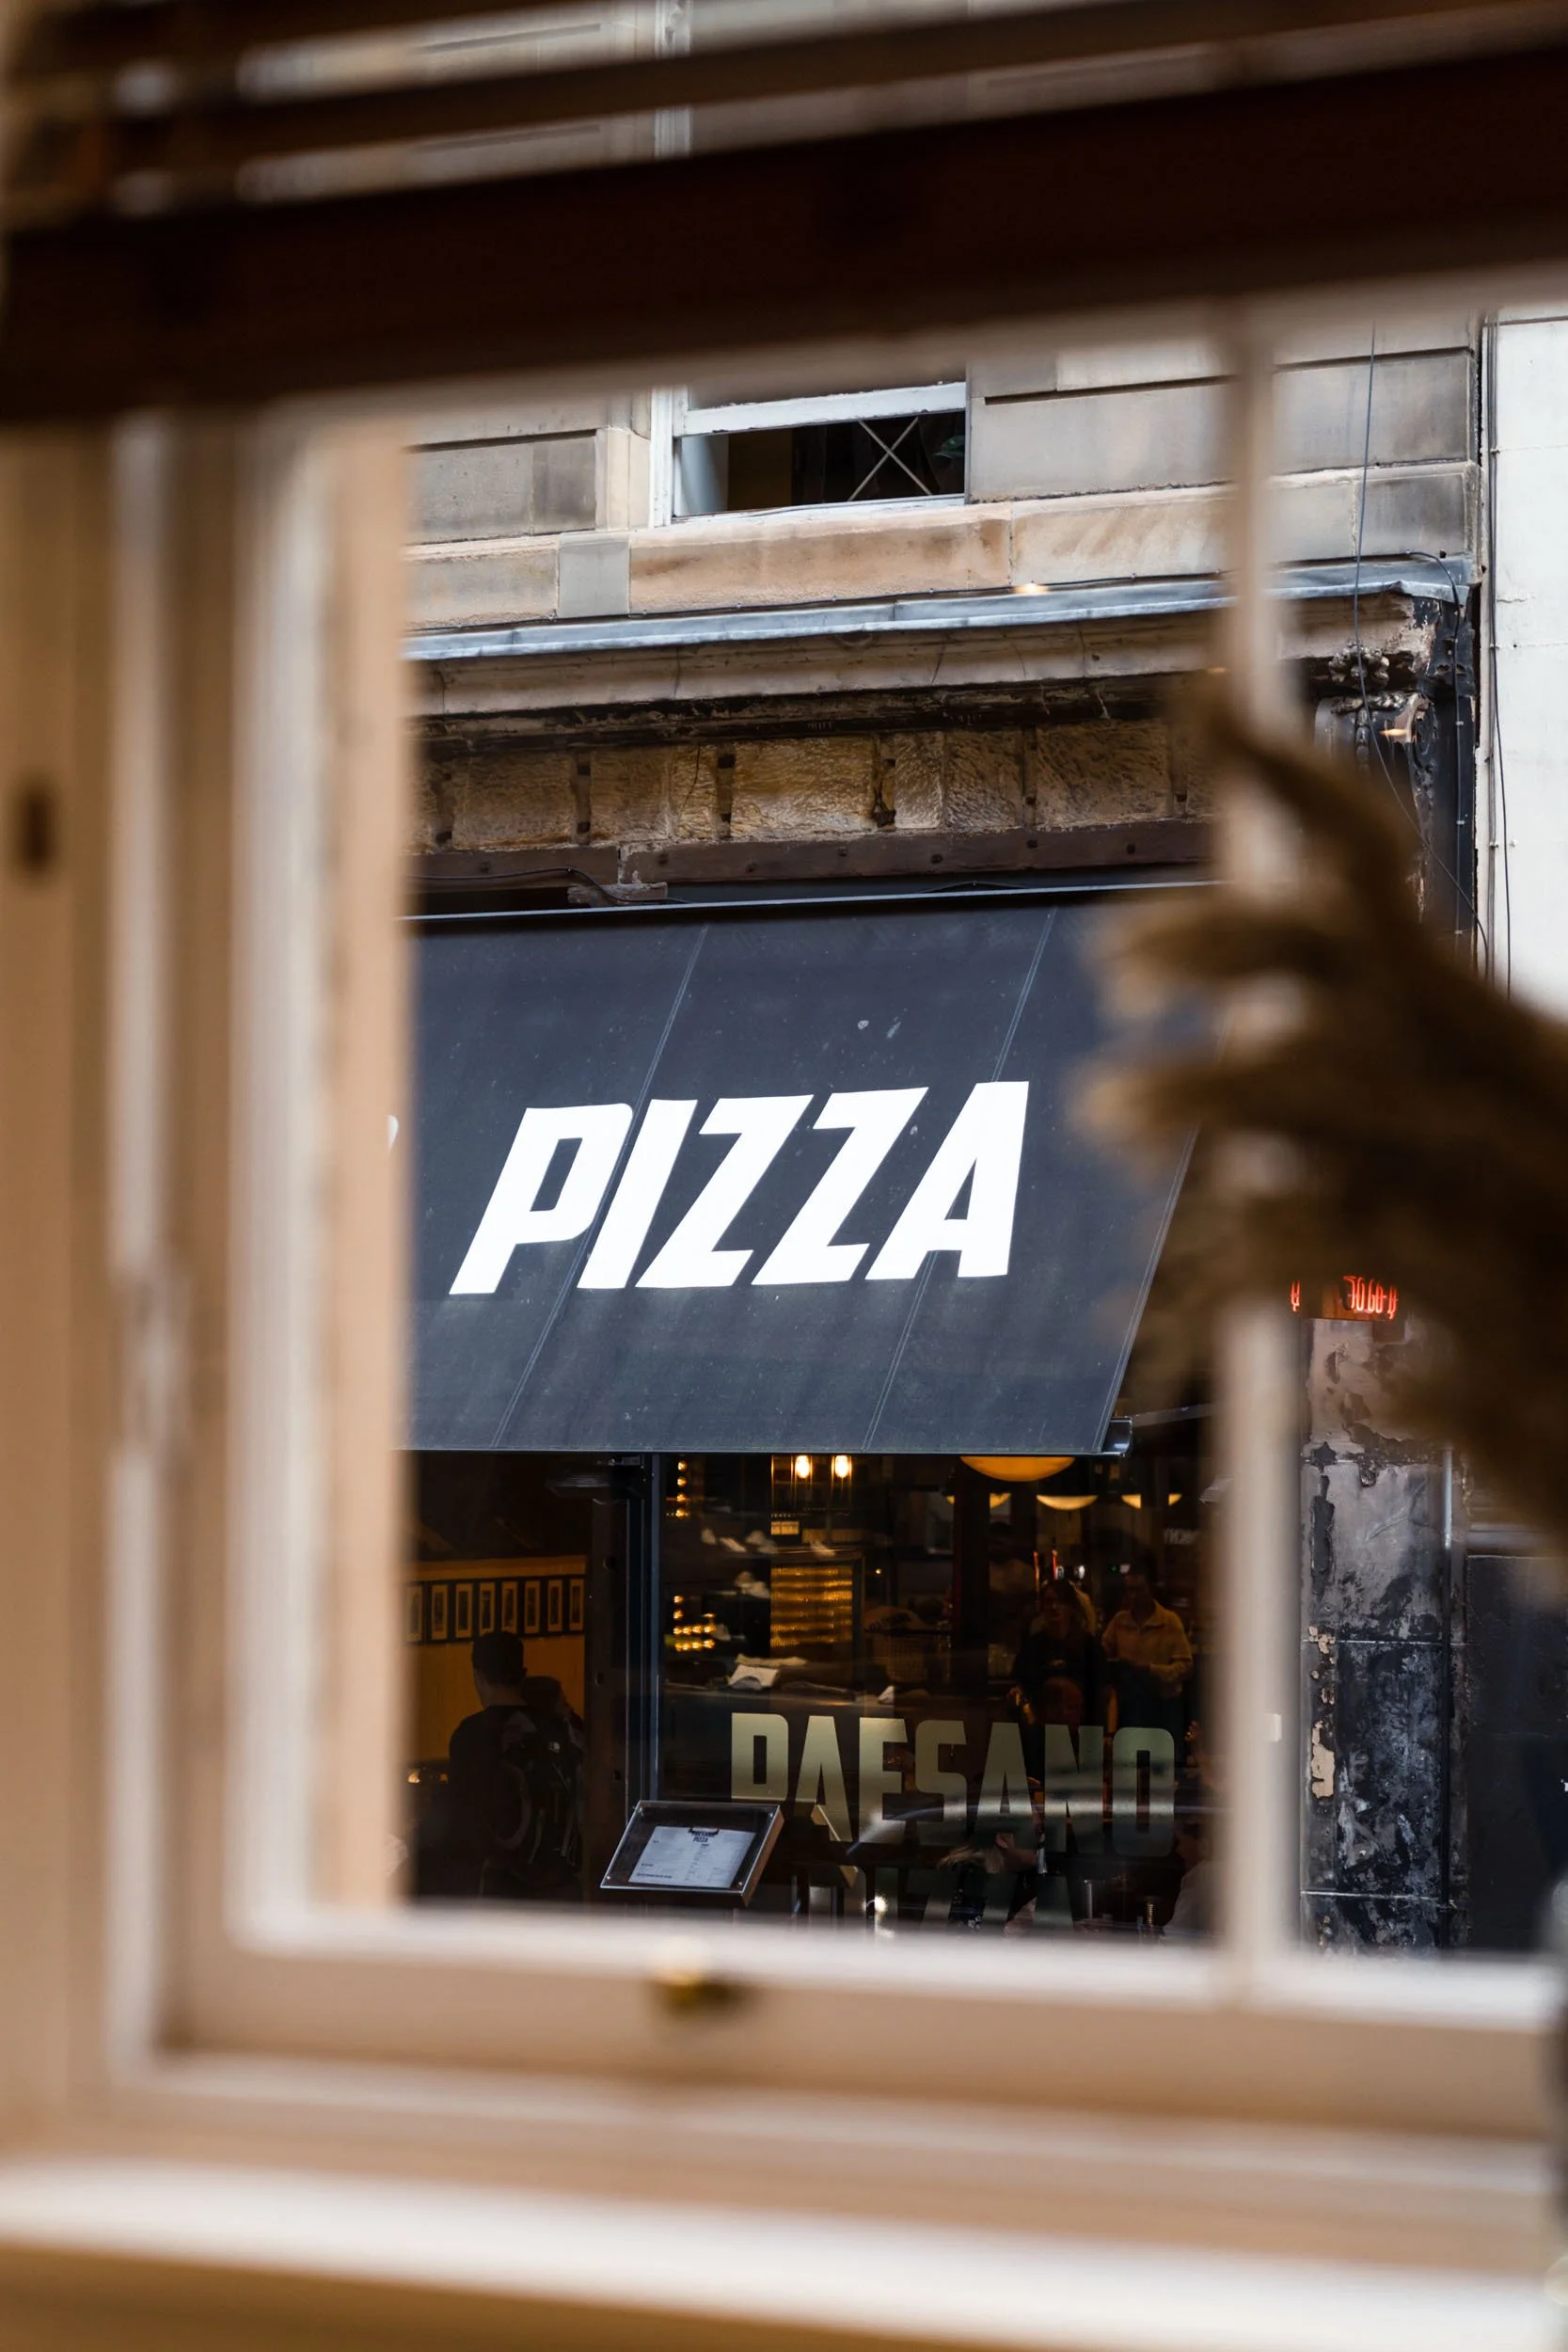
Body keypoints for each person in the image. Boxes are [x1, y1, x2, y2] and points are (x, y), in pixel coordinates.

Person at [416, 1629, 584, 1901]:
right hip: (559, 1883)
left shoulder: (471, 1734)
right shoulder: (555, 1729)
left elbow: (463, 1817)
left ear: (478, 1676)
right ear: (522, 1673)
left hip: (499, 1885)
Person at [1101, 1565, 1193, 1740]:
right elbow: (1103, 1652)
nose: (1133, 1596)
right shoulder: (1120, 1621)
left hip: (1163, 1705)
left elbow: (1185, 1666)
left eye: (1138, 1590)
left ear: (1151, 1589)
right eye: (1129, 1590)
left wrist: (1152, 1670)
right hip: (1129, 1705)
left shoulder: (1169, 1622)